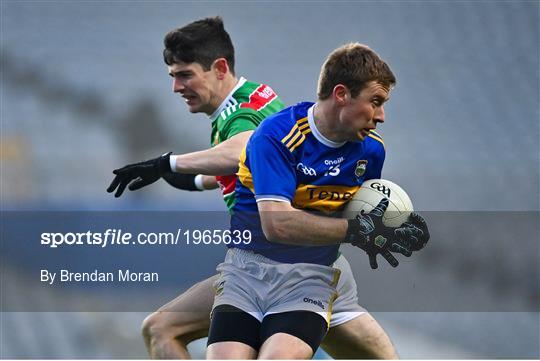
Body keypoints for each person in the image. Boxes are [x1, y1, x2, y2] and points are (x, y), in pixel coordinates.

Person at [107, 18, 402, 359]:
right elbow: (253, 169)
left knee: (163, 329)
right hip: (262, 269)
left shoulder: (242, 117)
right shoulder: (253, 98)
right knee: (160, 327)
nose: (176, 86)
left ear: (219, 68)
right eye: (173, 76)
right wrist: (194, 180)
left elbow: (245, 147)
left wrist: (169, 164)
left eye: (185, 74)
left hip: (298, 270)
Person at [205, 43, 430, 359]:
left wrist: (383, 230)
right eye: (375, 102)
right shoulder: (277, 135)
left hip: (310, 278)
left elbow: (357, 219)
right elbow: (277, 225)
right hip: (247, 273)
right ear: (341, 94)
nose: (381, 116)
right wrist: (356, 231)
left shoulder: (371, 152)